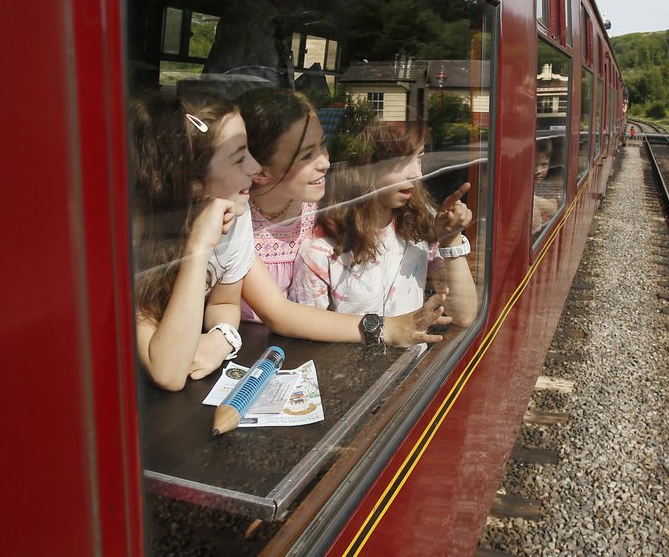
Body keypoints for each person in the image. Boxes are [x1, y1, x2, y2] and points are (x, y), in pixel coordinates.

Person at [129, 90, 454, 391]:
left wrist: (222, 336)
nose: (254, 168)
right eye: (239, 157)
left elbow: (225, 303)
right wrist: (198, 248)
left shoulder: (233, 214)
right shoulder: (134, 245)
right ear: (193, 181)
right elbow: (169, 372)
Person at [292, 121, 478, 327]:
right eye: (402, 161)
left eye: (420, 159)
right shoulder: (321, 252)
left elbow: (464, 315)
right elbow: (306, 333)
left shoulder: (417, 225)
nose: (417, 173)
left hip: (412, 357)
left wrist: (450, 238)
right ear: (364, 169)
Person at [238, 87, 328, 312]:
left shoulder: (326, 211)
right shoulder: (239, 223)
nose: (325, 162)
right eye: (307, 155)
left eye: (323, 145)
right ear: (259, 172)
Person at [531, 137, 559, 237]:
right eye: (534, 164)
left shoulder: (544, 184)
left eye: (544, 165)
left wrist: (532, 200)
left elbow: (554, 208)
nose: (538, 171)